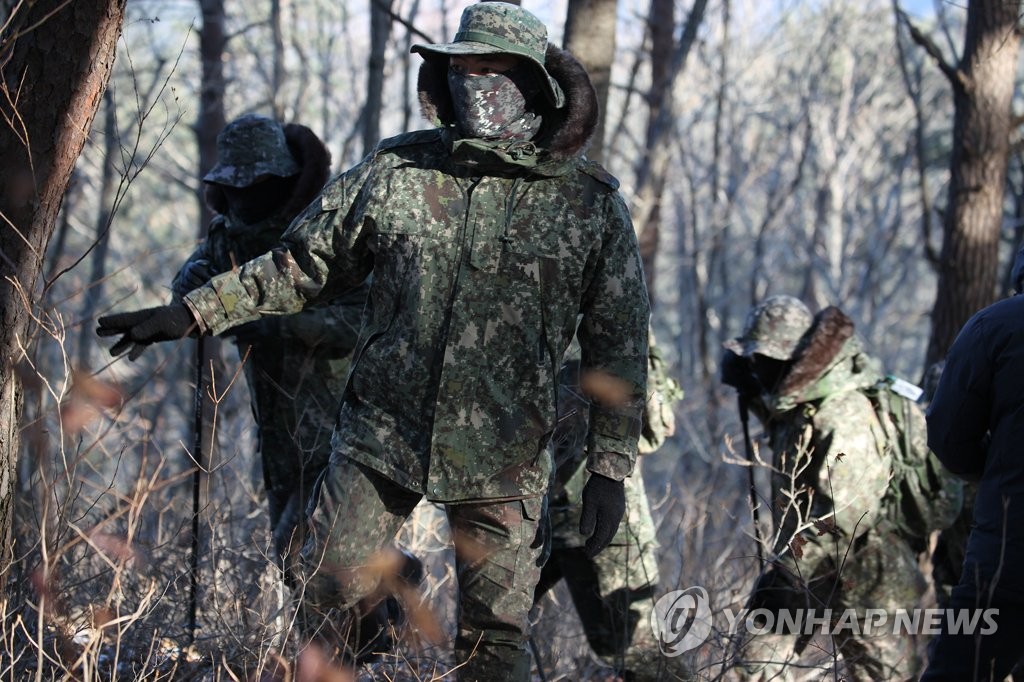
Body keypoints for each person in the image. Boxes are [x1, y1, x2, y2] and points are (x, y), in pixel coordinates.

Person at [97, 4, 650, 679]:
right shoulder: (397, 173)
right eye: (464, 70)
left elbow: (617, 343)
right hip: (381, 437)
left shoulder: (587, 203)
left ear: (536, 83)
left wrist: (609, 469)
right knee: (321, 579)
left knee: (494, 642)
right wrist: (194, 312)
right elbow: (302, 265)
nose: (477, 85)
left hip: (506, 453)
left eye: (496, 71)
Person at [168, 114, 421, 662]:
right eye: (232, 189)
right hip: (279, 427)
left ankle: (339, 650)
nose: (243, 201)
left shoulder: (326, 232)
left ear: (281, 181)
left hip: (344, 424)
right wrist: (197, 303)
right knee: (298, 551)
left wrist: (278, 323)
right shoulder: (230, 240)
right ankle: (374, 613)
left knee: (304, 548)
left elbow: (365, 319)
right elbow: (189, 286)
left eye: (255, 188)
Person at [720, 296, 931, 681]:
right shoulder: (800, 401)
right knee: (752, 669)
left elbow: (851, 511)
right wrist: (751, 394)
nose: (758, 366)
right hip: (807, 568)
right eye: (754, 359)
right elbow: (789, 440)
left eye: (764, 359)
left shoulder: (843, 410)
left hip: (867, 575)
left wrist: (786, 570)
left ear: (792, 358)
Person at [534, 330, 683, 681]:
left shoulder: (608, 303)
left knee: (636, 652)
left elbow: (653, 429)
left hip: (603, 513)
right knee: (490, 634)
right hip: (523, 509)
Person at [920, 249, 1024, 680]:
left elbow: (948, 433)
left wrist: (995, 473)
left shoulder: (994, 326)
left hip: (1010, 547)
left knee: (960, 670)